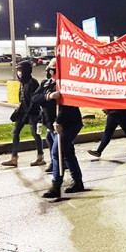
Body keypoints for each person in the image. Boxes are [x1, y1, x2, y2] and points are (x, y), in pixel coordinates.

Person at [36, 59, 84, 199]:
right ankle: (78, 181)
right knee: (67, 152)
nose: (53, 72)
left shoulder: (68, 85)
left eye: (56, 70)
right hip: (51, 125)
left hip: (68, 125)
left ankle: (56, 185)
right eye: (52, 70)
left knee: (57, 152)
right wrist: (49, 96)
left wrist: (59, 121)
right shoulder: (46, 84)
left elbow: (67, 106)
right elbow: (35, 98)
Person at [2, 60, 44, 167]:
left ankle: (40, 157)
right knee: (15, 132)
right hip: (23, 112)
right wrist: (18, 111)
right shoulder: (22, 83)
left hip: (32, 113)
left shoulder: (32, 83)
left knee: (35, 134)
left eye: (20, 70)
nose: (19, 73)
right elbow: (22, 99)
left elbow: (33, 101)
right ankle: (14, 158)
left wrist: (27, 113)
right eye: (18, 70)